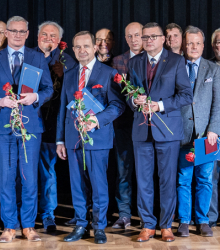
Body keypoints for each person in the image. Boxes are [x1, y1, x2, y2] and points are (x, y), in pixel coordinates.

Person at [0, 16, 53, 243]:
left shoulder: (37, 58)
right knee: (7, 178)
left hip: (30, 126)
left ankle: (29, 226)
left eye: (22, 31)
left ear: (28, 33)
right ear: (6, 33)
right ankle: (9, 226)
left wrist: (35, 97)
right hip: (3, 127)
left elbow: (48, 89)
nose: (18, 35)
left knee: (29, 178)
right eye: (13, 31)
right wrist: (0, 102)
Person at [56, 31, 125, 244]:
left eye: (86, 46)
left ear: (95, 47)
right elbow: (62, 110)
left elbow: (118, 105)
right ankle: (80, 225)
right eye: (77, 47)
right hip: (72, 138)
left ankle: (99, 227)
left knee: (98, 184)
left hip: (98, 137)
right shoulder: (68, 74)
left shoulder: (108, 73)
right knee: (76, 185)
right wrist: (60, 140)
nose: (81, 50)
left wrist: (96, 120)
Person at [128, 22, 193, 242]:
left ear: (163, 39)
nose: (147, 41)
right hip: (141, 131)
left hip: (167, 130)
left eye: (152, 37)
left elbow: (186, 95)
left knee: (166, 180)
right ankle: (147, 225)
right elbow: (129, 95)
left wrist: (160, 105)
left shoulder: (176, 61)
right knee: (143, 180)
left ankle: (166, 225)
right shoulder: (134, 62)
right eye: (144, 37)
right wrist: (134, 100)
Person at [176, 26, 220, 237]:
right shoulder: (175, 66)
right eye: (190, 43)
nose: (193, 47)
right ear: (184, 45)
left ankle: (203, 220)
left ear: (204, 45)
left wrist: (214, 129)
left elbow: (218, 105)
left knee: (205, 179)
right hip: (182, 133)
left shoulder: (213, 69)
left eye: (197, 43)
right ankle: (184, 220)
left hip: (207, 136)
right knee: (184, 179)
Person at [34, 21, 77, 231]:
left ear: (59, 41)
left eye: (53, 36)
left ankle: (48, 215)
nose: (48, 39)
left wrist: (63, 76)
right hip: (27, 122)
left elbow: (76, 93)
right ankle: (26, 215)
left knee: (48, 171)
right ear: (37, 37)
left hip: (53, 125)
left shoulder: (68, 61)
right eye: (44, 35)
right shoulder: (28, 56)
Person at [110, 22, 143, 229]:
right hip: (123, 125)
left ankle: (147, 215)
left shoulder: (153, 60)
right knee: (123, 172)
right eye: (129, 36)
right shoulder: (118, 61)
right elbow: (114, 96)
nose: (133, 39)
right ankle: (124, 214)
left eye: (137, 35)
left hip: (148, 126)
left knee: (146, 173)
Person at [208, 28, 220, 227]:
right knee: (209, 176)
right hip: (210, 131)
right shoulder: (207, 67)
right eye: (217, 42)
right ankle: (210, 218)